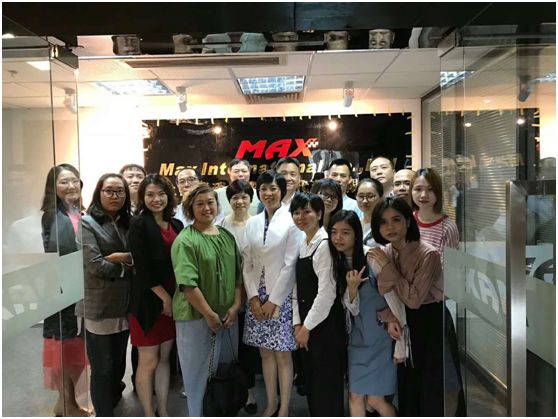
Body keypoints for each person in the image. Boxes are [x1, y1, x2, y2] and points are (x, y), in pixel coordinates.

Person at [368, 197, 447, 416]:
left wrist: (387, 267)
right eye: (383, 222)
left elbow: (413, 299)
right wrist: (388, 317)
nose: (390, 227)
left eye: (396, 220)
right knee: (406, 388)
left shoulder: (428, 254)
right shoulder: (386, 251)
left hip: (429, 323)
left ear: (408, 221)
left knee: (429, 390)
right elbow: (384, 294)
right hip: (402, 323)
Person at [171, 184, 243, 417]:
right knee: (197, 376)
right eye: (199, 204)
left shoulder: (226, 236)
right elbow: (187, 285)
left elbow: (238, 276)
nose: (206, 208)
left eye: (210, 202)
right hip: (195, 317)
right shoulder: (185, 240)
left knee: (223, 373)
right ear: (190, 209)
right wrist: (209, 314)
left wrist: (236, 306)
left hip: (228, 318)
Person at [243, 171, 302, 417]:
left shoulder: (292, 220)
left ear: (282, 191)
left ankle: (284, 408)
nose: (268, 193)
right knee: (265, 354)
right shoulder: (252, 222)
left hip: (282, 296)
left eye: (273, 188)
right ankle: (270, 404)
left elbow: (290, 264)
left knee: (283, 355)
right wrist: (253, 297)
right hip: (256, 296)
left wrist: (274, 300)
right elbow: (246, 262)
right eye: (264, 189)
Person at [328, 210, 397, 417]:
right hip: (357, 338)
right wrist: (351, 289)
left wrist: (394, 318)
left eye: (345, 232)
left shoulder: (373, 257)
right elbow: (350, 307)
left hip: (380, 336)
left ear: (356, 234)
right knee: (355, 395)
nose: (338, 238)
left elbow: (394, 293)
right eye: (334, 232)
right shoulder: (337, 261)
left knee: (375, 400)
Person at [75, 173, 133, 417]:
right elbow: (95, 265)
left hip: (125, 304)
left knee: (119, 362)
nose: (115, 196)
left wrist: (124, 257)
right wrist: (127, 266)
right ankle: (104, 412)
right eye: (109, 190)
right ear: (99, 193)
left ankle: (114, 399)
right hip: (99, 305)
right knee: (101, 366)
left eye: (120, 191)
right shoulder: (87, 223)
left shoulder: (129, 221)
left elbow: (140, 254)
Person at [128, 174, 184, 417]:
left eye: (161, 194)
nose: (156, 199)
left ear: (168, 196)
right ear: (143, 197)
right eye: (150, 194)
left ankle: (163, 410)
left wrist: (174, 298)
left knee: (164, 359)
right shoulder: (139, 224)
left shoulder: (176, 225)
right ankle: (149, 413)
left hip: (173, 301)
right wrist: (165, 298)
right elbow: (142, 268)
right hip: (148, 303)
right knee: (148, 361)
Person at [410, 168, 465, 415]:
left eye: (430, 190)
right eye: (418, 189)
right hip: (407, 309)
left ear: (438, 193)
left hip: (434, 310)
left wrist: (427, 289)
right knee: (414, 376)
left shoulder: (447, 226)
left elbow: (450, 272)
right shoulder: (406, 222)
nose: (423, 195)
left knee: (442, 377)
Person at [290, 193, 346, 416]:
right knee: (313, 382)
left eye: (307, 212)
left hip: (325, 325)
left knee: (326, 385)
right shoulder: (304, 242)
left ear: (320, 214)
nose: (301, 217)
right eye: (296, 212)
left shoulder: (324, 245)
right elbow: (297, 287)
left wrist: (306, 327)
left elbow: (326, 294)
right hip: (307, 325)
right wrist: (297, 323)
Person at [40, 164, 90, 417]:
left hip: (78, 289)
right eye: (64, 182)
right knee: (64, 348)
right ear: (53, 187)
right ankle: (67, 404)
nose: (71, 186)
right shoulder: (52, 217)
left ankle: (65, 403)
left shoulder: (78, 212)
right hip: (62, 292)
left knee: (74, 348)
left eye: (74, 180)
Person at [218, 179, 259, 414]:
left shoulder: (257, 223)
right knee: (231, 345)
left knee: (247, 347)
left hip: (253, 292)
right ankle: (230, 390)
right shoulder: (222, 225)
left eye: (244, 197)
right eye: (235, 197)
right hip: (230, 291)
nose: (240, 201)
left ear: (251, 199)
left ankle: (249, 391)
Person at [120, 163, 146, 392]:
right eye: (130, 176)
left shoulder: (149, 207)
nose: (135, 179)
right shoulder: (118, 210)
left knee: (142, 341)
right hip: (119, 284)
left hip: (144, 284)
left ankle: (141, 384)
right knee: (119, 341)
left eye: (139, 175)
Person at [215, 159, 261, 223]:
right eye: (236, 171)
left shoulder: (259, 194)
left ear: (249, 172)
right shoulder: (217, 194)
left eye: (244, 171)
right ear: (229, 172)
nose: (240, 174)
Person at [355, 178, 383, 245]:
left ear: (381, 198)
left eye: (370, 196)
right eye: (361, 196)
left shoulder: (385, 225)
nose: (365, 201)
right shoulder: (355, 224)